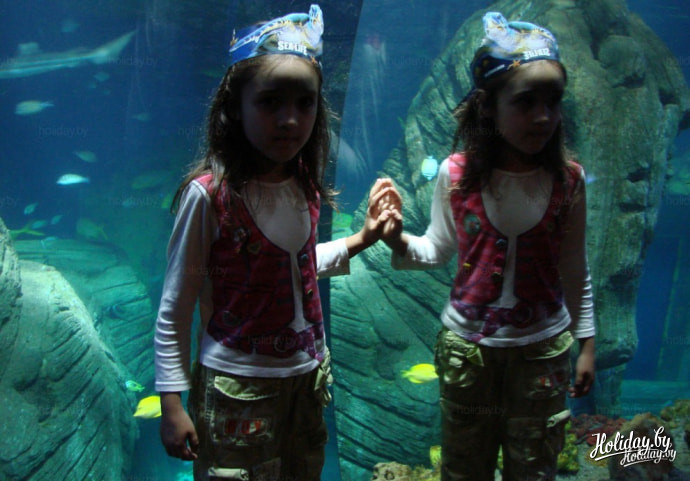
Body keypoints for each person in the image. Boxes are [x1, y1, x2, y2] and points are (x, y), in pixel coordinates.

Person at [154, 5, 396, 480]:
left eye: (305, 103)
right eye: (270, 102)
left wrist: (363, 239)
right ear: (234, 106)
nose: (289, 119)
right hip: (235, 390)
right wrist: (171, 404)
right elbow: (175, 307)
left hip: (307, 381)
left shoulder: (304, 183)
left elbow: (293, 266)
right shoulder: (210, 196)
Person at [377, 12, 596, 481]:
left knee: (534, 468)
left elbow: (575, 268)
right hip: (467, 355)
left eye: (553, 101)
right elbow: (436, 249)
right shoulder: (455, 174)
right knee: (463, 468)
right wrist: (395, 238)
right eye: (525, 102)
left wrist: (587, 345)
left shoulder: (569, 181)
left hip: (543, 351)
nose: (543, 115)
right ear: (489, 106)